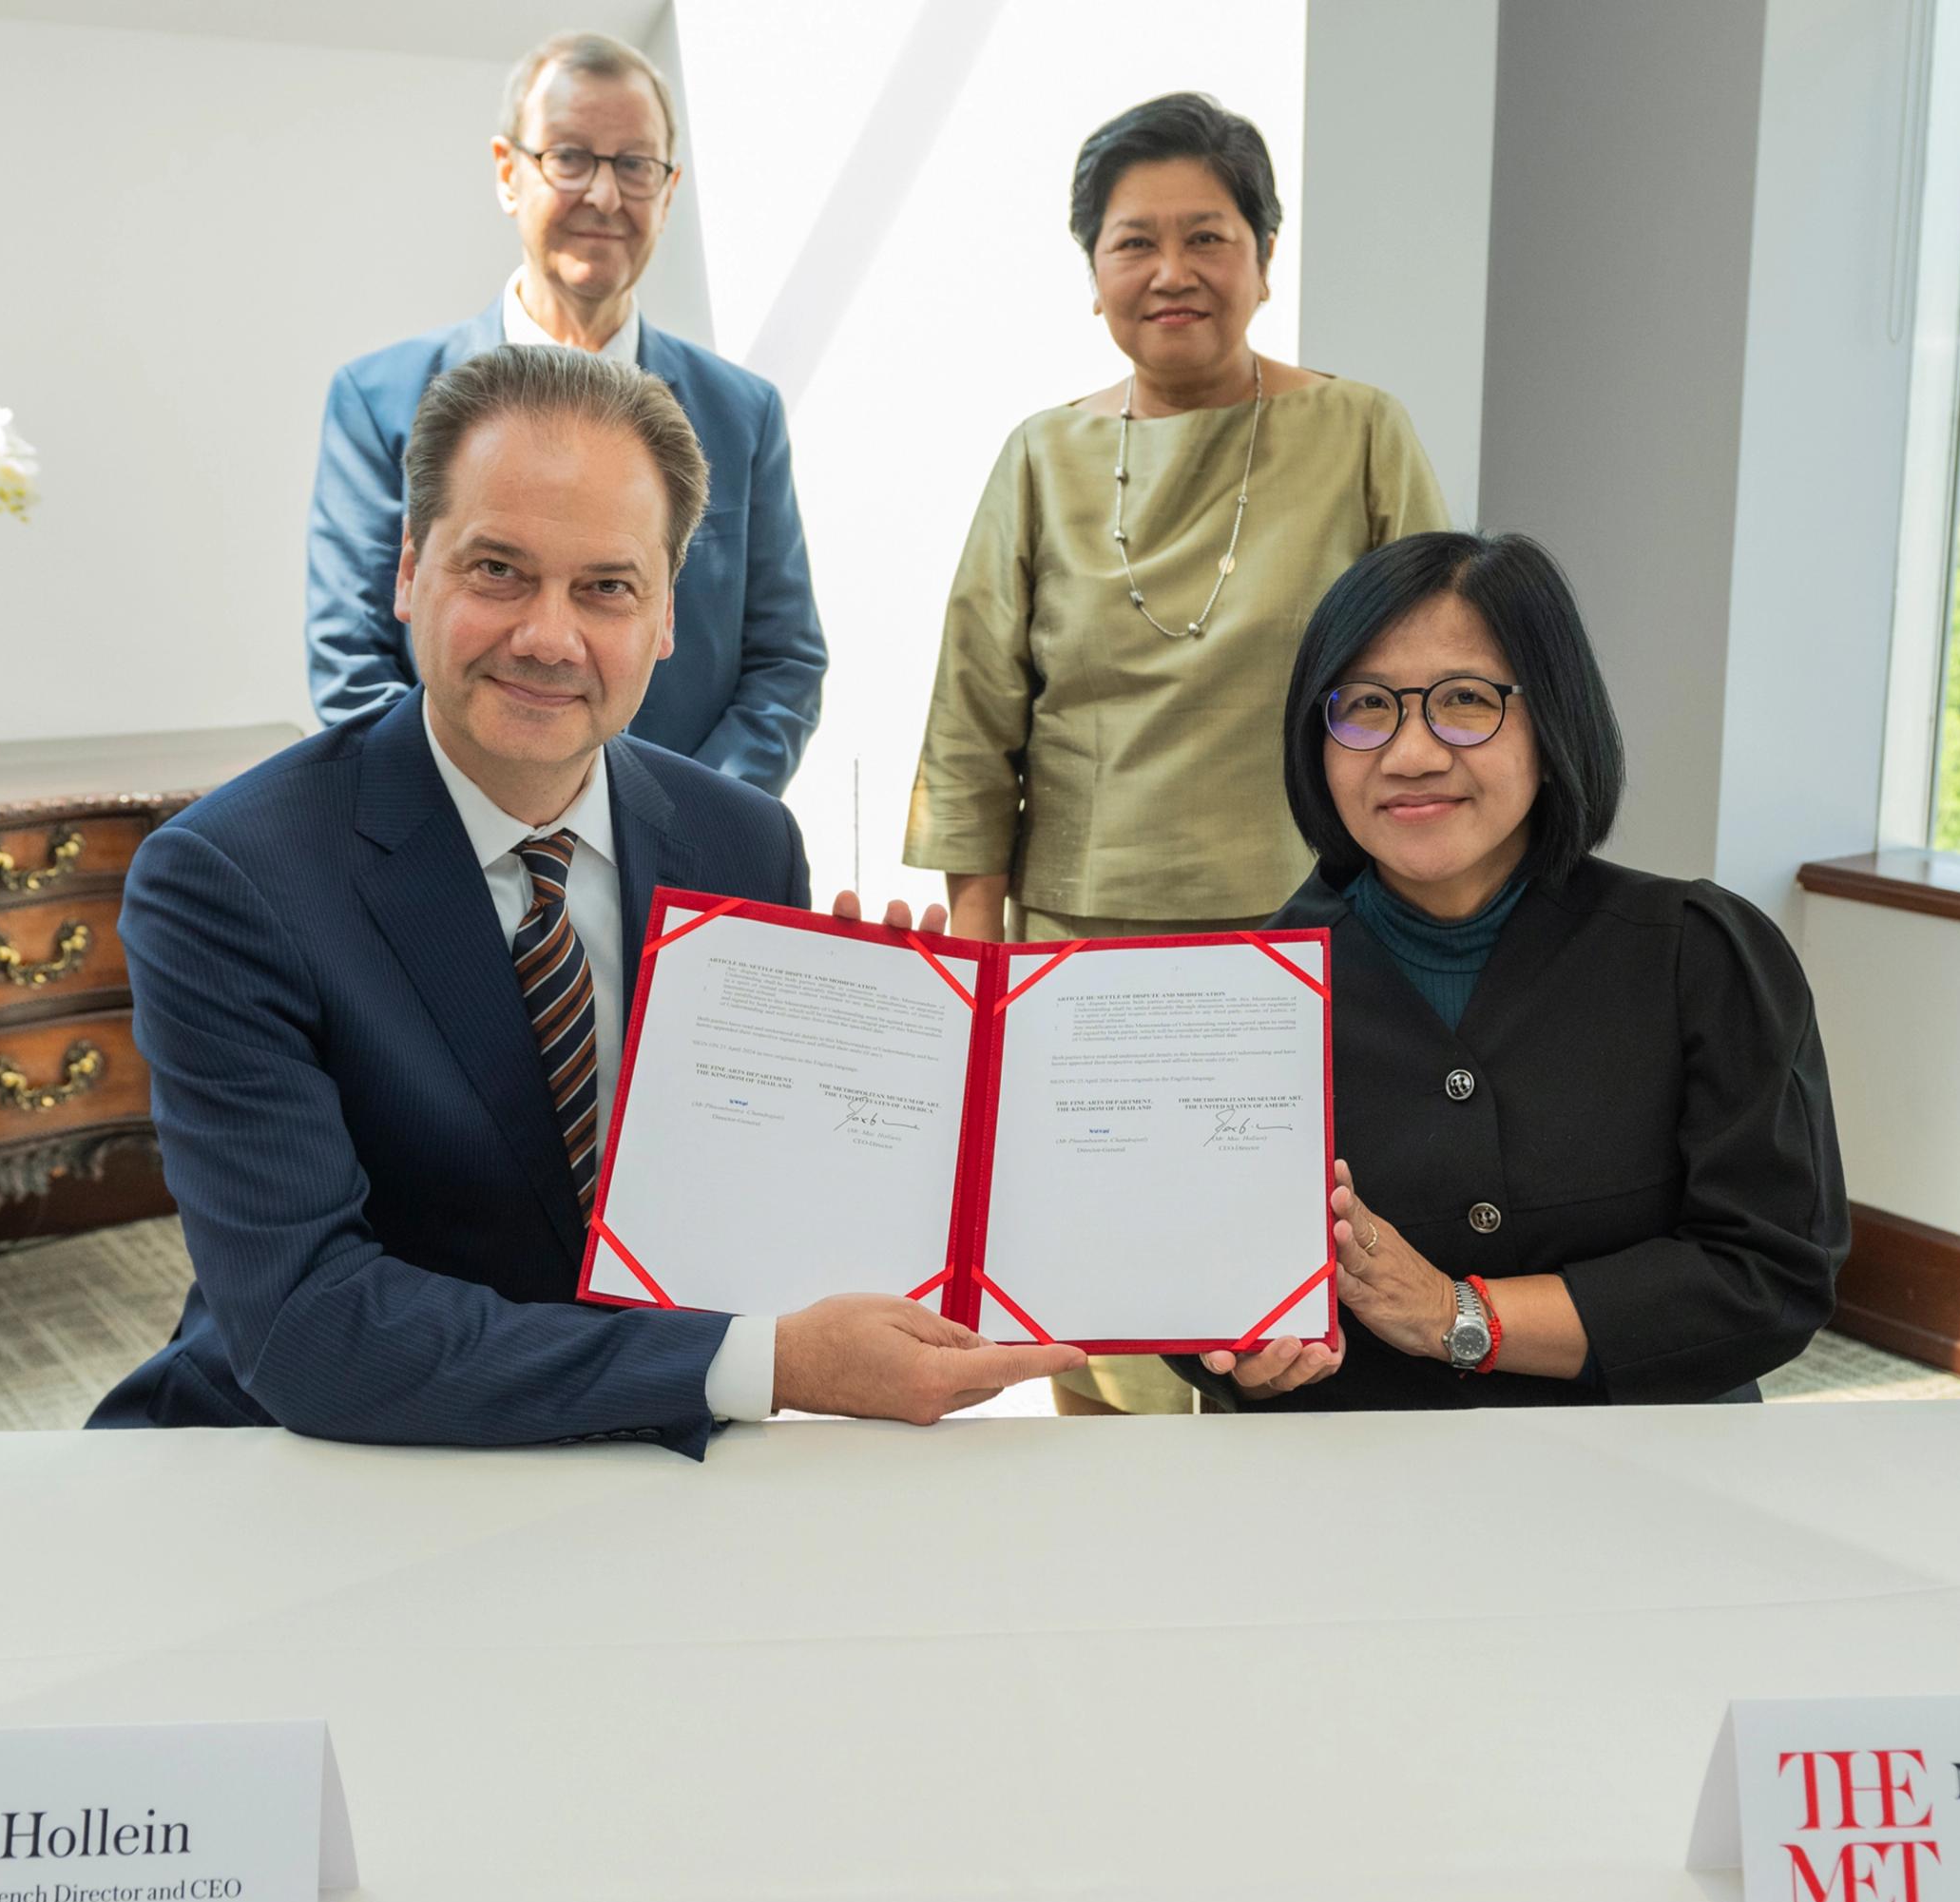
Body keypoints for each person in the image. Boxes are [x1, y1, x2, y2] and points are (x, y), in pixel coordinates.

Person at [95, 347, 1078, 1447]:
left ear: (665, 617)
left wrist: (872, 1087)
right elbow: (316, 1330)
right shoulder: (228, 880)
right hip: (310, 1462)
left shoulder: (743, 843)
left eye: (606, 588)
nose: (549, 638)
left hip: (648, 1451)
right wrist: (766, 1361)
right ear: (410, 571)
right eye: (498, 572)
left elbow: (745, 1230)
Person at [905, 88, 1447, 1414]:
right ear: (1092, 276)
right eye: (1133, 242)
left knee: (1280, 1299)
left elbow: (1433, 688)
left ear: (1264, 257)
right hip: (1075, 952)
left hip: (1305, 941)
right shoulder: (1039, 458)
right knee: (1099, 1308)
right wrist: (979, 986)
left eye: (1208, 236)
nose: (1172, 273)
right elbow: (973, 732)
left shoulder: (1361, 435)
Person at [1178, 531, 1850, 1412]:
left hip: (1646, 1486)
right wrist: (1223, 1350)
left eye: (1464, 700)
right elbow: (1184, 1282)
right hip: (1352, 1487)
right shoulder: (1237, 996)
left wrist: (1458, 1315)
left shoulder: (1700, 953)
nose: (1410, 752)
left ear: (1554, 719)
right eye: (1367, 707)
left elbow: (1771, 1278)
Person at [304, 31, 824, 796]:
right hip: (454, 864)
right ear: (508, 173)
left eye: (635, 165)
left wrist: (672, 828)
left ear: (669, 189)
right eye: (570, 157)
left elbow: (784, 663)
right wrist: (491, 829)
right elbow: (354, 669)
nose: (605, 196)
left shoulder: (742, 414)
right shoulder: (380, 400)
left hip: (675, 870)